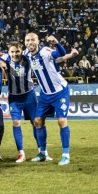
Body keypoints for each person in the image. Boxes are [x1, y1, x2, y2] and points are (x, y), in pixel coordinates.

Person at [24, 33, 71, 165]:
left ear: (38, 41)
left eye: (33, 40)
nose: (30, 42)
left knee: (61, 121)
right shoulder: (27, 54)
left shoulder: (46, 51)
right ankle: (43, 153)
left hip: (59, 92)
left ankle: (66, 155)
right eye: (27, 40)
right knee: (38, 121)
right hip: (45, 94)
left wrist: (56, 42)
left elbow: (61, 53)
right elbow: (14, 57)